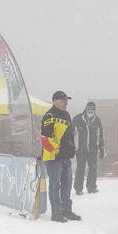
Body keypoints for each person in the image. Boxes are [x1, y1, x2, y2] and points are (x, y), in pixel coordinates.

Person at [41, 91, 79, 222]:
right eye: (63, 100)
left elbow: (70, 135)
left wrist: (73, 147)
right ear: (55, 101)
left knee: (67, 185)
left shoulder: (66, 115)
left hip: (65, 157)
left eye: (66, 100)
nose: (66, 102)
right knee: (55, 185)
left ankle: (66, 211)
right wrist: (57, 151)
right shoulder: (49, 116)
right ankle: (56, 213)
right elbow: (45, 139)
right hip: (53, 158)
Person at [73, 101, 105, 195]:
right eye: (89, 108)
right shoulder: (77, 119)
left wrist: (101, 149)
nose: (90, 111)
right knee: (80, 168)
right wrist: (72, 147)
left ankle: (91, 187)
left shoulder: (97, 121)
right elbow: (71, 134)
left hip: (93, 149)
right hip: (80, 149)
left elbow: (100, 136)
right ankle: (78, 189)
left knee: (93, 168)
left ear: (95, 110)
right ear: (86, 108)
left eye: (92, 109)